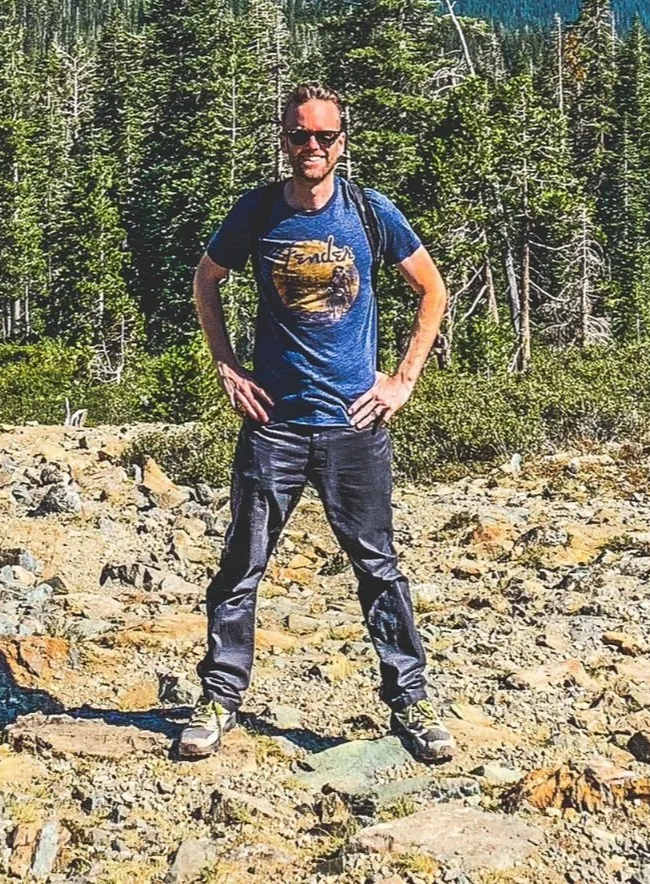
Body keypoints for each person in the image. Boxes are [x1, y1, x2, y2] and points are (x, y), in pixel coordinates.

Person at [180, 83, 454, 763]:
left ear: (341, 142)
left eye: (324, 137)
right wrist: (227, 365)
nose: (312, 147)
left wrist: (402, 381)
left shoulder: (370, 212)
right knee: (241, 565)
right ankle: (219, 698)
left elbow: (433, 289)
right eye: (300, 135)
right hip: (274, 422)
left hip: (353, 426)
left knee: (378, 568)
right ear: (283, 139)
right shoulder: (258, 212)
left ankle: (411, 703)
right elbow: (205, 279)